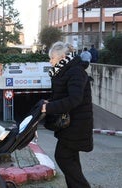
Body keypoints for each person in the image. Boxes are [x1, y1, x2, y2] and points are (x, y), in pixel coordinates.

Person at [41, 41, 93, 188]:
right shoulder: (65, 71)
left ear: (62, 57)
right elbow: (62, 95)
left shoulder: (75, 72)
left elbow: (74, 99)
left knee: (63, 157)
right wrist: (49, 102)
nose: (50, 62)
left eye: (52, 58)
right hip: (70, 124)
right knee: (71, 161)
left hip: (76, 124)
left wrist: (49, 107)